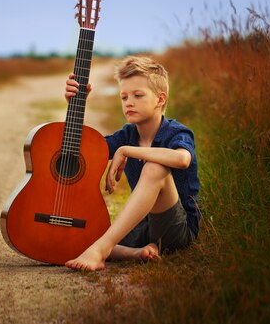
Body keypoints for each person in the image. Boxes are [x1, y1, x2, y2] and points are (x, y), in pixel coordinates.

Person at [63, 56, 200, 271]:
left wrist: (125, 150)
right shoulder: (127, 134)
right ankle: (136, 253)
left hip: (177, 229)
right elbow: (86, 150)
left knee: (155, 167)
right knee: (78, 237)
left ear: (160, 99)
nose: (129, 102)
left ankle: (101, 250)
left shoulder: (176, 132)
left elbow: (182, 159)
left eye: (138, 95)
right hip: (142, 226)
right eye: (124, 97)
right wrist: (77, 106)